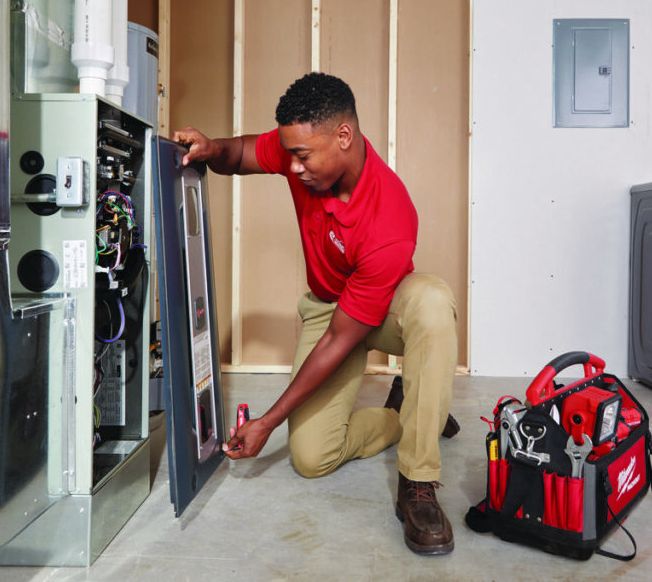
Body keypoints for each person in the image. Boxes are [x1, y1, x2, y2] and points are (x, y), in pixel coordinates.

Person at [175, 72, 459, 555]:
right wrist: (210, 147)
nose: (293, 166)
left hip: (383, 312)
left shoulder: (390, 216)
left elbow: (339, 341)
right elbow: (241, 153)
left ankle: (418, 482)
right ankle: (408, 410)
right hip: (329, 308)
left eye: (302, 156)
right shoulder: (300, 148)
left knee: (432, 301)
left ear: (343, 137)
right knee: (310, 457)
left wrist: (266, 421)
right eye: (289, 154)